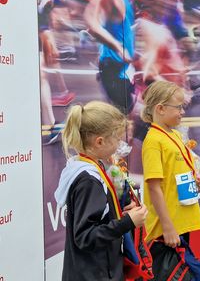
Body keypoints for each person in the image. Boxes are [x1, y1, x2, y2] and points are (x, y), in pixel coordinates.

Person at [54, 100, 148, 281]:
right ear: (99, 142)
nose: (120, 145)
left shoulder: (91, 168)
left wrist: (119, 213)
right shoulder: (88, 181)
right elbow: (85, 236)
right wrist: (127, 222)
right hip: (95, 274)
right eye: (118, 139)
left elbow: (97, 220)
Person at [141, 80, 200, 249]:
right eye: (178, 107)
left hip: (181, 220)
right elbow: (154, 187)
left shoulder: (176, 136)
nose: (182, 112)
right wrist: (167, 226)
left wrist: (199, 180)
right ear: (160, 109)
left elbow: (180, 173)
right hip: (168, 228)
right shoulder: (153, 141)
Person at [84, 0, 136, 114]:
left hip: (123, 67)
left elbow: (116, 29)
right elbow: (91, 21)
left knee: (127, 113)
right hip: (114, 67)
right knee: (123, 114)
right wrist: (118, 47)